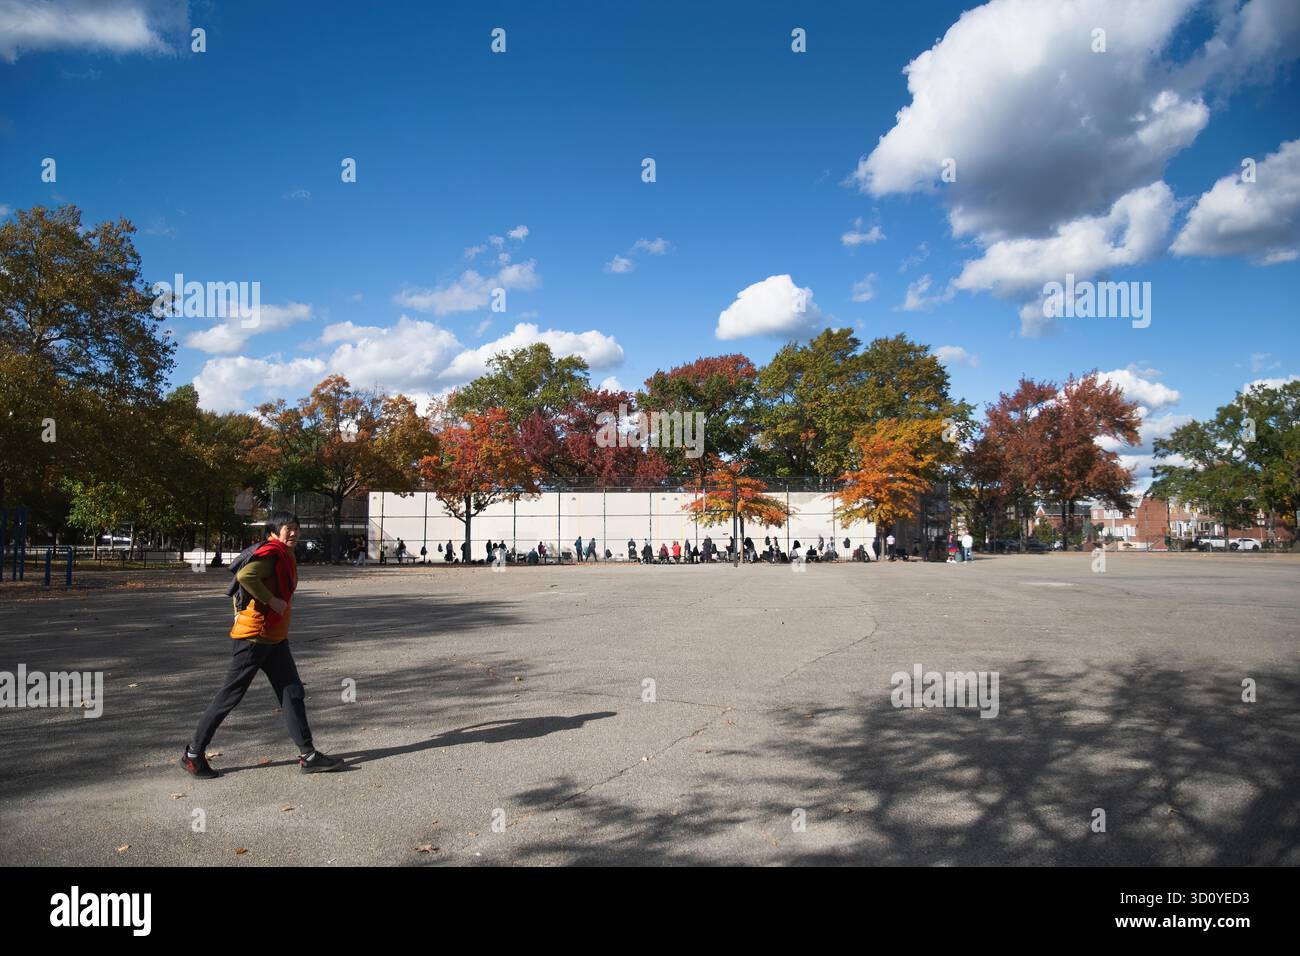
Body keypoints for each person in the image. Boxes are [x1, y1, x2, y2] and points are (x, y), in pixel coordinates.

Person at [181, 511, 342, 778]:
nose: (294, 533)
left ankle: (309, 755)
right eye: (288, 528)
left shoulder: (283, 552)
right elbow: (246, 576)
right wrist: (271, 600)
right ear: (273, 531)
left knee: (292, 693)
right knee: (230, 696)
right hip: (254, 638)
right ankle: (193, 755)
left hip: (274, 638)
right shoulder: (271, 554)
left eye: (296, 528)